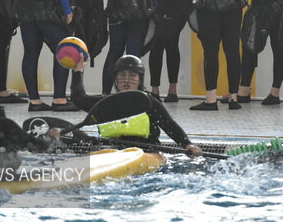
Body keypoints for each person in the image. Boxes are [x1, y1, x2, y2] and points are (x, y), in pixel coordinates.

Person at [72, 55, 203, 156]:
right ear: (115, 80)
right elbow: (79, 99)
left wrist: (188, 145)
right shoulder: (106, 103)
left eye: (133, 75)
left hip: (146, 152)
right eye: (122, 75)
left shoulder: (149, 102)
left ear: (140, 80)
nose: (127, 80)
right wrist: (78, 71)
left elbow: (169, 125)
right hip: (111, 151)